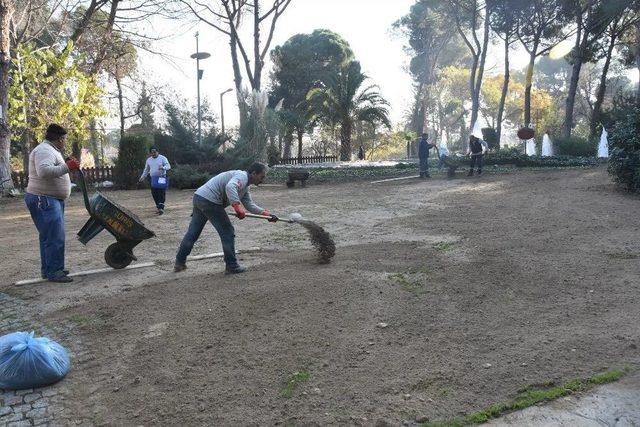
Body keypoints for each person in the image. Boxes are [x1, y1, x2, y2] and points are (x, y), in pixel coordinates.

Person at [174, 162, 278, 274]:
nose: (263, 180)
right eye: (262, 176)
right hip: (210, 201)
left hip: (199, 197)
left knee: (193, 233)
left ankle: (179, 262)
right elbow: (230, 186)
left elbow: (249, 204)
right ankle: (232, 265)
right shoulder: (242, 176)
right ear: (253, 173)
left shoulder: (245, 186)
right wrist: (237, 207)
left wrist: (266, 214)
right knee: (227, 231)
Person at [24, 124, 80, 283]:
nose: (64, 142)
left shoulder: (50, 150)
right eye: (64, 139)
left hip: (48, 199)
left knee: (48, 236)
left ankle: (50, 269)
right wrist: (67, 166)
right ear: (60, 138)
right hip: (45, 199)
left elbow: (54, 167)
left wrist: (65, 164)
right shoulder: (44, 150)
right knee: (54, 236)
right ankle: (55, 271)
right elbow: (44, 171)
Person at [139, 146, 171, 215]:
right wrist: (143, 177)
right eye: (151, 152)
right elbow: (146, 169)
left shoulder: (162, 158)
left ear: (157, 152)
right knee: (154, 193)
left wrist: (163, 167)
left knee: (161, 192)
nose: (153, 153)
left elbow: (168, 166)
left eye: (154, 152)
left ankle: (161, 208)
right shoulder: (148, 160)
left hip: (162, 177)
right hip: (153, 178)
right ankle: (158, 207)